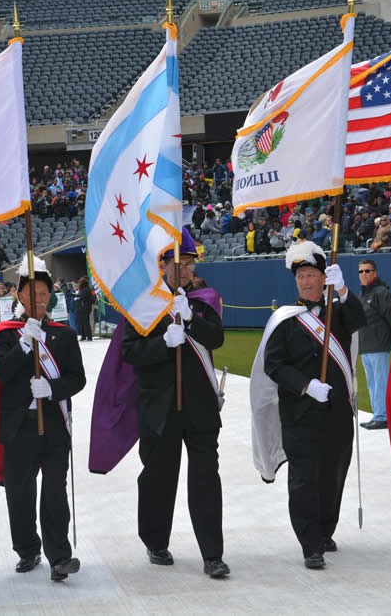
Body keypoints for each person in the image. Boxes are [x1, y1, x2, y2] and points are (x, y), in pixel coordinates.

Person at [121, 228, 230, 579]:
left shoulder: (204, 300)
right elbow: (129, 352)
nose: (185, 270)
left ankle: (212, 554)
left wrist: (191, 319)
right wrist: (162, 345)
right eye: (178, 263)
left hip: (199, 407)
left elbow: (216, 338)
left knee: (205, 481)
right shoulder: (143, 305)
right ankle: (155, 540)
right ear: (162, 266)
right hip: (159, 408)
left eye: (189, 263)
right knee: (158, 478)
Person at [251, 241, 366, 569]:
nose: (305, 281)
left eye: (311, 274)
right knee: (304, 479)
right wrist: (304, 385)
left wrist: (344, 289)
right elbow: (273, 364)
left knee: (333, 475)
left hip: (337, 415)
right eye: (300, 275)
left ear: (323, 277)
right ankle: (309, 543)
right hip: (300, 414)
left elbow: (361, 319)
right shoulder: (285, 320)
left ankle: (324, 530)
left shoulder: (340, 314)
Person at [0, 257, 87, 580]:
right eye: (31, 294)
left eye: (43, 293)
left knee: (54, 492)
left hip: (55, 424)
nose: (37, 299)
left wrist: (52, 388)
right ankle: (27, 550)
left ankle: (59, 556)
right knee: (20, 492)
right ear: (19, 296)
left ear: (50, 296)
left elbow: (77, 379)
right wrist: (23, 343)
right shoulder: (5, 335)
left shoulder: (64, 334)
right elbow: (1, 371)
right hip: (19, 426)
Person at [357, 259, 391, 430]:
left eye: (367, 271)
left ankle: (383, 417)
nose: (364, 274)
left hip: (379, 345)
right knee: (372, 382)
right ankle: (378, 414)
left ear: (375, 273)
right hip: (366, 346)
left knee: (381, 382)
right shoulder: (363, 294)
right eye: (361, 271)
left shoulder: (381, 292)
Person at [75, 276, 94, 341]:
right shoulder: (87, 289)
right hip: (85, 308)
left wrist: (76, 295)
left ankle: (88, 336)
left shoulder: (85, 290)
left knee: (85, 323)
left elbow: (83, 297)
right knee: (83, 322)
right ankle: (84, 336)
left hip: (84, 308)